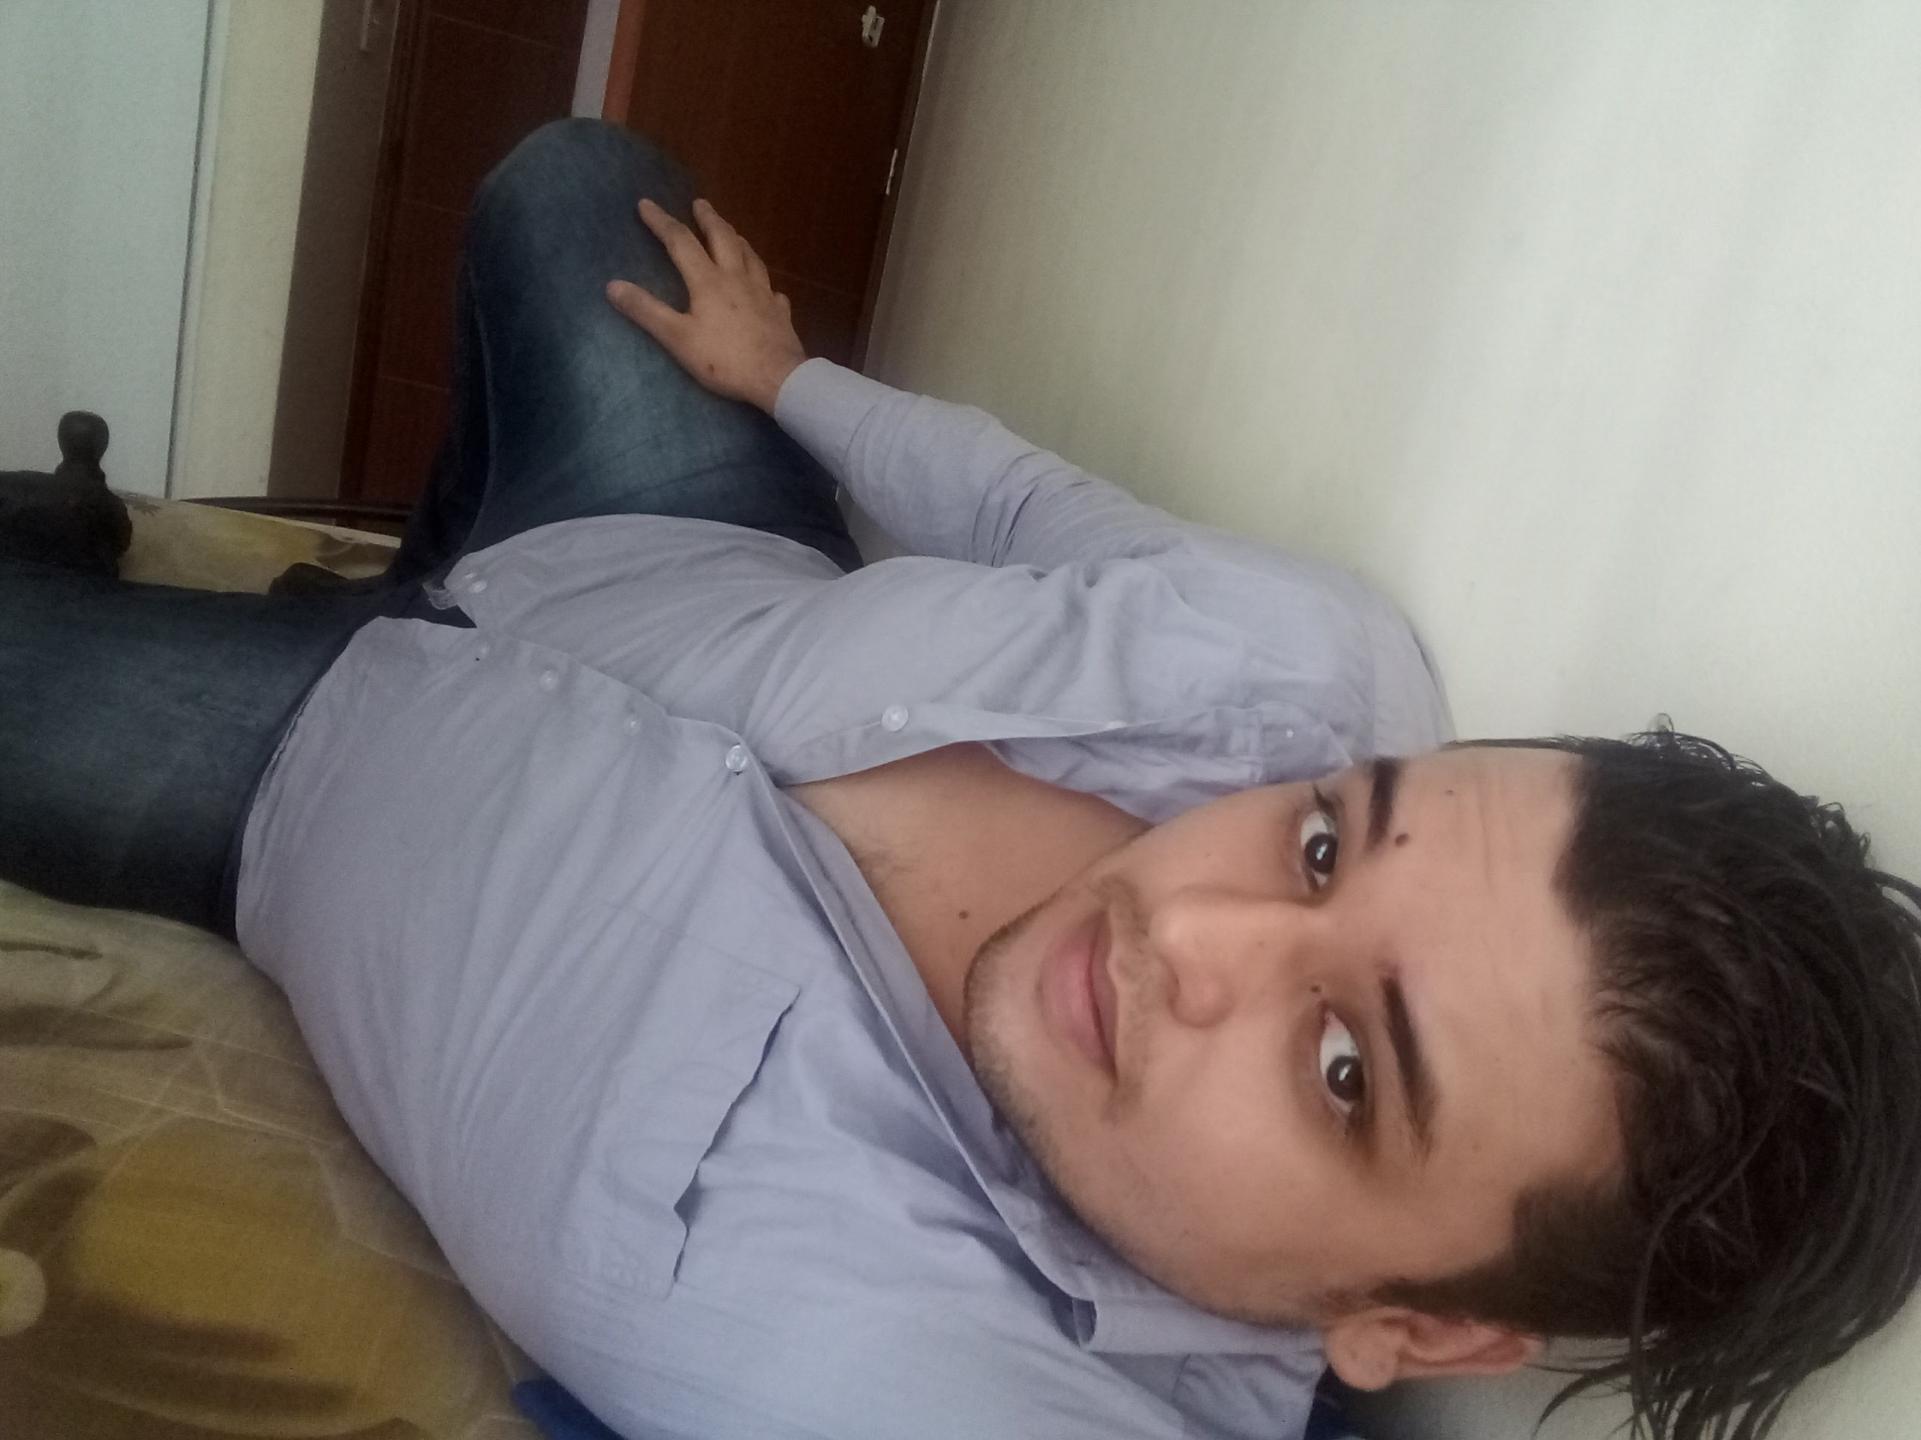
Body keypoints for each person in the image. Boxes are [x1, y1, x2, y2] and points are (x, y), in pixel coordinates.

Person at [3, 119, 1918, 1440]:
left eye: (1346, 1068)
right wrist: (789, 382)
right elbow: (1024, 508)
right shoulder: (1322, 668)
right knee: (570, 184)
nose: (1189, 928)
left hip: (302, 784)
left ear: (1417, 1327)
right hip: (660, 540)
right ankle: (421, 547)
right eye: (1330, 845)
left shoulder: (965, 1392)